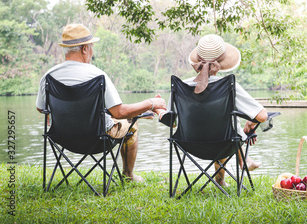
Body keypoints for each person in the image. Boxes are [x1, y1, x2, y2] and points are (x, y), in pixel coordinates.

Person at [36, 24, 166, 182]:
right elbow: (120, 112)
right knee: (133, 125)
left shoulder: (48, 77)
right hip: (97, 139)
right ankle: (128, 175)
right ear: (85, 49)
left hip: (62, 138)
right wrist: (151, 103)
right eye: (91, 47)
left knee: (124, 118)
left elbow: (41, 108)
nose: (92, 51)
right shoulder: (97, 76)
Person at [162, 34, 268, 186]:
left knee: (222, 127)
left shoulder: (180, 86)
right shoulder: (229, 86)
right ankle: (239, 165)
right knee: (226, 129)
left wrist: (159, 112)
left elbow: (172, 123)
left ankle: (222, 180)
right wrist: (251, 123)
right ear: (222, 62)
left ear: (197, 61)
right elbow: (263, 115)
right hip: (224, 143)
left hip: (188, 143)